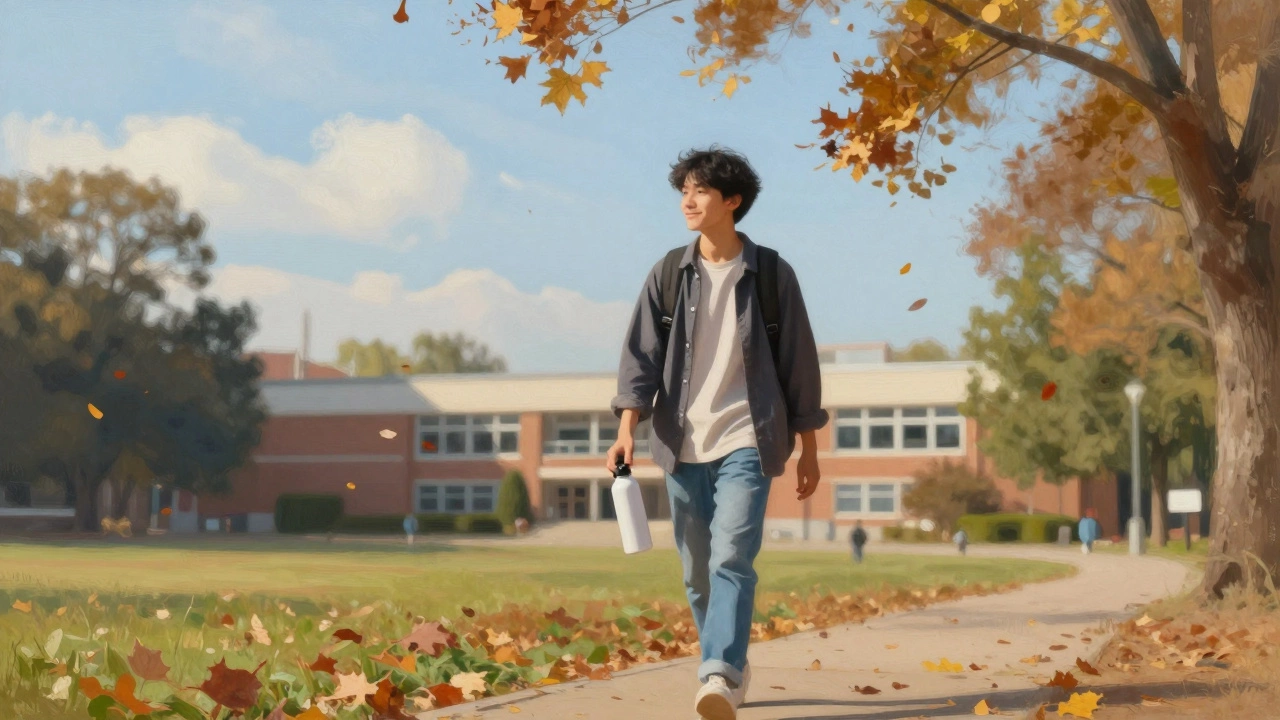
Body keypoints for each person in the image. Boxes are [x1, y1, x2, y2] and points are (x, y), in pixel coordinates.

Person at [607, 145, 828, 720]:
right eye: (684, 188)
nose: (688, 199)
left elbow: (799, 364)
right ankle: (728, 660)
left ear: (732, 202)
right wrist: (627, 428)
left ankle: (719, 672)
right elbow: (640, 358)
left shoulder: (774, 276)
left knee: (732, 554)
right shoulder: (668, 273)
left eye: (701, 190)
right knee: (697, 571)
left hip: (748, 440)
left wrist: (808, 449)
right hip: (681, 440)